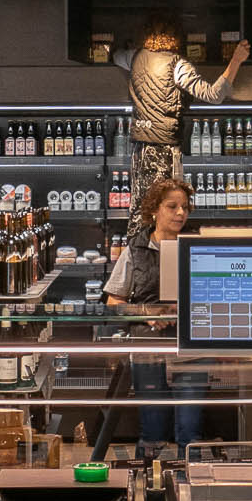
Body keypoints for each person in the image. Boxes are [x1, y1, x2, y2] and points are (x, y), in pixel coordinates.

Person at [104, 178, 207, 453]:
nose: (180, 213)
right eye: (172, 206)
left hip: (190, 350)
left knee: (190, 433)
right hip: (149, 350)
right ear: (154, 210)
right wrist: (146, 313)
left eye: (185, 207)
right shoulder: (135, 250)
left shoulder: (198, 247)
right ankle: (150, 486)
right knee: (152, 433)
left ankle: (190, 485)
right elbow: (114, 301)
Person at [113, 19, 249, 222]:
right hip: (165, 149)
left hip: (140, 149)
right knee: (168, 212)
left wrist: (127, 46)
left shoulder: (134, 57)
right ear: (177, 39)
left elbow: (115, 56)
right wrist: (236, 60)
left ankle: (141, 252)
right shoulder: (177, 65)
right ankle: (165, 252)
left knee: (141, 212)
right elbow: (213, 95)